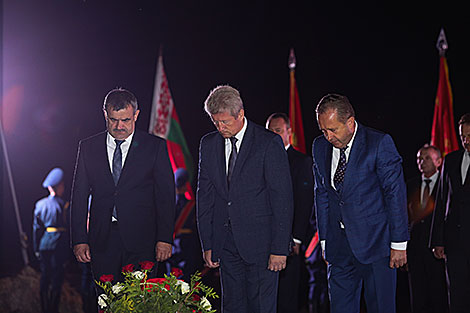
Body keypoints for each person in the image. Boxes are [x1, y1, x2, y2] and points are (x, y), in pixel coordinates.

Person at [197, 85, 294, 313]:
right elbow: (204, 196)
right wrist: (208, 243)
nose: (220, 128)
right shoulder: (208, 144)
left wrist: (280, 248)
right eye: (215, 122)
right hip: (226, 244)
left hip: (263, 246)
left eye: (225, 122)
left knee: (260, 307)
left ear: (240, 114)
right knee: (232, 307)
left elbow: (282, 198)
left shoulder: (268, 142)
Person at [311, 93, 408, 313]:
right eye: (323, 130)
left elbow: (395, 194)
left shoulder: (379, 143)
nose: (328, 136)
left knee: (381, 308)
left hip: (377, 245)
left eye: (333, 130)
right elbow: (322, 195)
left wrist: (399, 243)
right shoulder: (319, 147)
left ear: (350, 122)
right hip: (338, 247)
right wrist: (325, 240)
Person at [71, 88, 175, 286]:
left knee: (141, 302)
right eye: (113, 120)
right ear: (104, 114)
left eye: (125, 120)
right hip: (101, 241)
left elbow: (166, 196)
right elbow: (79, 196)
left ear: (136, 115)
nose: (119, 126)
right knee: (106, 301)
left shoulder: (155, 147)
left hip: (144, 242)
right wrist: (79, 240)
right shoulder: (88, 147)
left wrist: (165, 238)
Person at [266, 112, 314, 313]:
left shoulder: (301, 162)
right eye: (270, 132)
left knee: (286, 298)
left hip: (289, 243)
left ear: (289, 132)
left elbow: (304, 203)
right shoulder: (260, 160)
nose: (273, 135)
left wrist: (296, 238)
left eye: (277, 131)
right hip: (263, 241)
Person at [430, 113, 470, 313]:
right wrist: (437, 239)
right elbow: (442, 201)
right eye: (463, 136)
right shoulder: (451, 160)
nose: (466, 141)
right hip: (454, 243)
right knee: (456, 295)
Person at [406, 144, 448, 313]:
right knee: (417, 299)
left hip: (437, 252)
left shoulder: (447, 184)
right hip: (415, 253)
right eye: (419, 158)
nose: (422, 162)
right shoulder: (410, 185)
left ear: (438, 161)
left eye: (427, 158)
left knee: (439, 299)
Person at [33, 167, 69, 313]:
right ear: (59, 186)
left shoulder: (40, 204)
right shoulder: (64, 205)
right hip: (59, 246)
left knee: (44, 277)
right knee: (56, 279)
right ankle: (52, 309)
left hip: (44, 244)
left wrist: (36, 249)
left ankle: (44, 308)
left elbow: (36, 229)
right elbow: (68, 228)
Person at [159, 168, 203, 282]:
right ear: (186, 184)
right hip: (186, 245)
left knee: (170, 279)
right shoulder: (192, 205)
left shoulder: (165, 204)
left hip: (169, 244)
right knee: (185, 280)